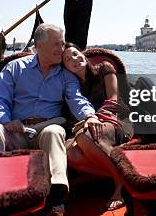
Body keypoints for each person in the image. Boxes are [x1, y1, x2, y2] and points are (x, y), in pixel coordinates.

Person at [0, 24, 99, 216]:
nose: (62, 49)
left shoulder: (65, 75)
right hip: (15, 131)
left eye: (62, 44)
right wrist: (7, 121)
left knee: (55, 131)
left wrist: (90, 116)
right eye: (57, 44)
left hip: (45, 131)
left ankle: (57, 198)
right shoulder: (15, 68)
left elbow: (76, 99)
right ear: (39, 46)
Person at [62, 43, 133, 211]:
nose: (74, 58)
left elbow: (113, 99)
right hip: (91, 125)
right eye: (67, 59)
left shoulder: (104, 68)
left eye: (75, 53)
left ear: (82, 54)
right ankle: (123, 176)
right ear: (64, 67)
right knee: (68, 153)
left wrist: (93, 119)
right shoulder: (71, 86)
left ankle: (118, 186)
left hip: (117, 119)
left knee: (84, 136)